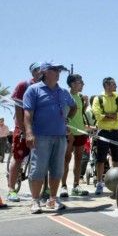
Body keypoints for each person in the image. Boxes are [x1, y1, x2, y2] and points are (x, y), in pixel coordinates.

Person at [23, 62, 77, 213]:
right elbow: (27, 114)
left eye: (59, 70)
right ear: (45, 72)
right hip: (40, 136)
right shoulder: (33, 90)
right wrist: (28, 133)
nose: (58, 73)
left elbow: (74, 107)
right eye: (54, 70)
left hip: (60, 137)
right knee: (38, 170)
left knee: (57, 170)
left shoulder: (63, 92)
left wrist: (67, 120)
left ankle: (53, 199)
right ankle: (35, 201)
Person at [6, 62, 44, 202]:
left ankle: (42, 189)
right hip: (22, 128)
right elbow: (18, 108)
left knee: (42, 160)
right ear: (33, 72)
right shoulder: (24, 85)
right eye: (39, 70)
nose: (42, 73)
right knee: (18, 158)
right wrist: (23, 129)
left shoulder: (45, 87)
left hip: (40, 129)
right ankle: (11, 189)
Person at [92, 77, 118, 195]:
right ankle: (99, 183)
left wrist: (109, 115)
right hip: (103, 132)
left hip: (116, 131)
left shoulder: (117, 97)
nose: (116, 86)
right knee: (100, 159)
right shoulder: (98, 98)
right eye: (114, 84)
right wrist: (112, 116)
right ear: (106, 85)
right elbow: (97, 114)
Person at [60, 74, 90, 197]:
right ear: (72, 84)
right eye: (80, 82)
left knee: (78, 159)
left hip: (81, 132)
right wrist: (68, 131)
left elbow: (80, 114)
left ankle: (76, 186)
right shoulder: (65, 96)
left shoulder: (81, 97)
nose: (83, 84)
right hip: (69, 132)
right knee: (66, 160)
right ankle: (63, 187)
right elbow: (63, 115)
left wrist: (86, 104)